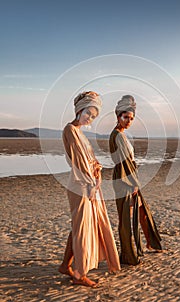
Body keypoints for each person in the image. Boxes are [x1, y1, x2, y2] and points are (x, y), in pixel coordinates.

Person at [59, 91, 120, 287]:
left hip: (88, 184)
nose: (90, 118)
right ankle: (79, 275)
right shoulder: (70, 130)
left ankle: (64, 265)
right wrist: (92, 184)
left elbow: (91, 161)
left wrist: (96, 173)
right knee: (82, 228)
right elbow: (80, 162)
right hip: (81, 185)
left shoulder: (80, 133)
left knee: (80, 226)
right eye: (88, 113)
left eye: (94, 116)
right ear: (79, 110)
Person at [109, 95, 162, 266]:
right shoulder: (116, 135)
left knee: (142, 212)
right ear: (118, 117)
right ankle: (128, 255)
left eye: (131, 119)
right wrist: (133, 184)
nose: (128, 121)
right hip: (124, 180)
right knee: (126, 218)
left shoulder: (122, 135)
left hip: (130, 177)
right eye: (125, 117)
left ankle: (150, 243)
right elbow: (123, 162)